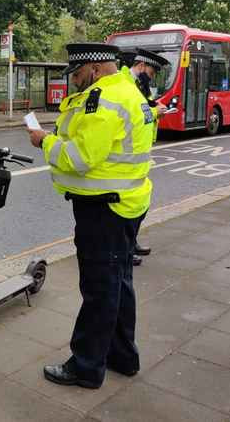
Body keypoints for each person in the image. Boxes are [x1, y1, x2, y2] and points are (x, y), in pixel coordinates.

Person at [27, 43, 156, 389]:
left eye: (78, 74)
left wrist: (44, 141)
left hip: (105, 210)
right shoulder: (128, 91)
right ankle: (122, 356)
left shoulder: (104, 99)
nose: (74, 81)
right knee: (118, 284)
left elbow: (79, 158)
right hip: (125, 204)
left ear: (95, 69)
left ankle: (86, 366)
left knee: (99, 289)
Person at [126, 48, 170, 266]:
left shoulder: (141, 85)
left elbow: (147, 106)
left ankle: (131, 242)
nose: (151, 78)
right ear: (141, 66)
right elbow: (136, 113)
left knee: (140, 205)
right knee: (128, 206)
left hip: (140, 151)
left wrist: (156, 107)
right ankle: (125, 249)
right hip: (128, 152)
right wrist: (155, 112)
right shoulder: (127, 84)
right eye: (152, 73)